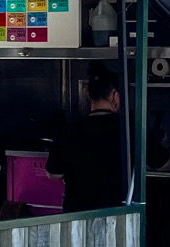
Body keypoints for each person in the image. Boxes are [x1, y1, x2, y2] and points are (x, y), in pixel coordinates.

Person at [45, 69, 128, 212]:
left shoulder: (69, 130)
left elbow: (53, 174)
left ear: (88, 95)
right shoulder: (128, 129)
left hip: (77, 216)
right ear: (115, 95)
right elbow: (162, 162)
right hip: (119, 214)